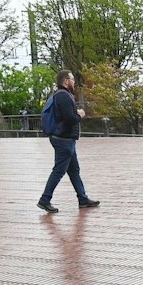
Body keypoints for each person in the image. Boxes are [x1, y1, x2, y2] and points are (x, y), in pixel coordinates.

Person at [37, 70, 99, 212]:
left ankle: (83, 199)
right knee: (59, 170)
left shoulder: (60, 95)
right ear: (65, 81)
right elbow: (69, 118)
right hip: (63, 139)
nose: (74, 82)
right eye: (72, 79)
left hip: (65, 139)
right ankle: (44, 199)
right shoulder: (63, 96)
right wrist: (80, 114)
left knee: (74, 170)